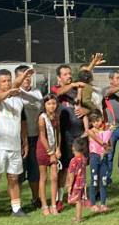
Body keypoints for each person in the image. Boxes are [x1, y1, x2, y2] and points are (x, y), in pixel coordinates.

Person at [0, 68, 33, 221]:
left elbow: (23, 121)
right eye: (3, 81)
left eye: (8, 80)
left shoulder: (18, 99)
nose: (6, 83)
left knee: (14, 177)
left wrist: (24, 140)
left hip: (15, 144)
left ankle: (16, 208)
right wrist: (12, 89)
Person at [52, 64, 87, 211]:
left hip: (79, 134)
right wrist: (72, 84)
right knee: (65, 169)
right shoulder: (56, 90)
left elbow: (87, 107)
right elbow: (59, 92)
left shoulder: (76, 91)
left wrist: (86, 110)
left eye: (69, 73)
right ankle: (59, 199)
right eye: (65, 74)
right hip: (65, 136)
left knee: (81, 167)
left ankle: (80, 196)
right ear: (59, 78)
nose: (69, 76)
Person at [15, 64, 44, 209]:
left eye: (28, 76)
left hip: (36, 136)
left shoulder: (38, 93)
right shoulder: (14, 92)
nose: (27, 79)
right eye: (23, 76)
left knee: (35, 170)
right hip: (19, 138)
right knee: (18, 172)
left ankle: (35, 198)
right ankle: (16, 203)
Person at [36, 94, 61, 215]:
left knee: (55, 177)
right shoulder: (42, 117)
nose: (52, 106)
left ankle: (53, 204)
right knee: (43, 177)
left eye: (54, 103)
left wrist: (58, 148)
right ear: (44, 105)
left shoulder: (56, 117)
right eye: (49, 104)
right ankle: (44, 205)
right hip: (43, 149)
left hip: (53, 148)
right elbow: (42, 136)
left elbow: (58, 134)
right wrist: (50, 152)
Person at [87, 110, 112, 213]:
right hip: (94, 157)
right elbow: (97, 139)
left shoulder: (106, 132)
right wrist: (104, 142)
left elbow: (110, 146)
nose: (97, 123)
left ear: (102, 119)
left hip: (104, 158)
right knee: (94, 180)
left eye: (98, 120)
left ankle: (103, 203)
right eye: (94, 121)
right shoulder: (90, 131)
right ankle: (92, 204)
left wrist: (107, 148)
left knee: (104, 181)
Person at [103, 70, 119, 187]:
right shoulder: (106, 90)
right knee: (109, 155)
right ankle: (107, 180)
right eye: (117, 78)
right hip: (111, 128)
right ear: (111, 80)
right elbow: (109, 92)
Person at [65, 138, 88, 224]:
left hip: (76, 183)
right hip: (82, 182)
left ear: (73, 148)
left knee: (77, 201)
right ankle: (78, 216)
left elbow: (71, 174)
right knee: (79, 200)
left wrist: (69, 185)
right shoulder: (84, 158)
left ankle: (78, 218)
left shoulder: (73, 160)